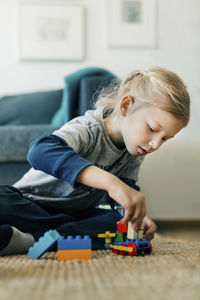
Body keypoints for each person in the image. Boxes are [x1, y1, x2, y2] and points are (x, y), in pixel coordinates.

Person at [0, 66, 190, 256]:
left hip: (73, 216)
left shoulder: (136, 150)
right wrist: (112, 183)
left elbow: (124, 189)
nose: (155, 144)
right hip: (30, 204)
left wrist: (134, 215)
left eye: (165, 138)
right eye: (152, 128)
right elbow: (40, 151)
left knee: (117, 226)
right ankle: (50, 239)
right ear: (126, 106)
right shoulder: (88, 128)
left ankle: (32, 240)